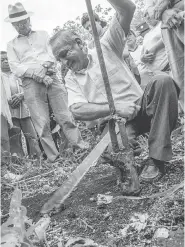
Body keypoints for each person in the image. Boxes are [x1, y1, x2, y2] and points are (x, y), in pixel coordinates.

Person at [50, 0, 178, 193]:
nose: (63, 62)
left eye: (64, 53)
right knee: (110, 151)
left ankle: (157, 158)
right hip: (116, 123)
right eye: (58, 58)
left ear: (79, 43)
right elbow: (76, 109)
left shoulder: (107, 45)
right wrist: (116, 108)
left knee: (162, 80)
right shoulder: (70, 78)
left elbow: (128, 9)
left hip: (142, 107)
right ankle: (129, 157)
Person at [5, 2, 88, 162]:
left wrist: (44, 71)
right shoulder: (11, 45)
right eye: (16, 23)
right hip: (30, 83)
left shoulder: (43, 35)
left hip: (51, 77)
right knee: (41, 122)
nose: (20, 25)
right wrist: (37, 75)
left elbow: (52, 55)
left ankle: (79, 148)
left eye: (23, 21)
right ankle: (53, 157)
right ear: (13, 25)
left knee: (65, 114)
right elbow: (16, 67)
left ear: (28, 19)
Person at [145, 0, 184, 112]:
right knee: (181, 79)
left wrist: (164, 3)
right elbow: (152, 11)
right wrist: (164, 13)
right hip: (169, 27)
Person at [81, 11, 141, 85]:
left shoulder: (111, 33)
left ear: (99, 22)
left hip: (128, 72)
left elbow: (125, 53)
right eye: (87, 28)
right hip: (111, 80)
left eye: (91, 25)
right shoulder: (91, 45)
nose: (90, 29)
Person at [1, 51, 41, 158]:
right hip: (10, 114)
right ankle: (19, 161)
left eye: (7, 59)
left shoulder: (19, 73)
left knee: (32, 136)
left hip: (25, 110)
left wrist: (21, 95)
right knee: (14, 138)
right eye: (2, 60)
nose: (5, 61)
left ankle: (37, 159)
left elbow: (31, 87)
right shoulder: (1, 77)